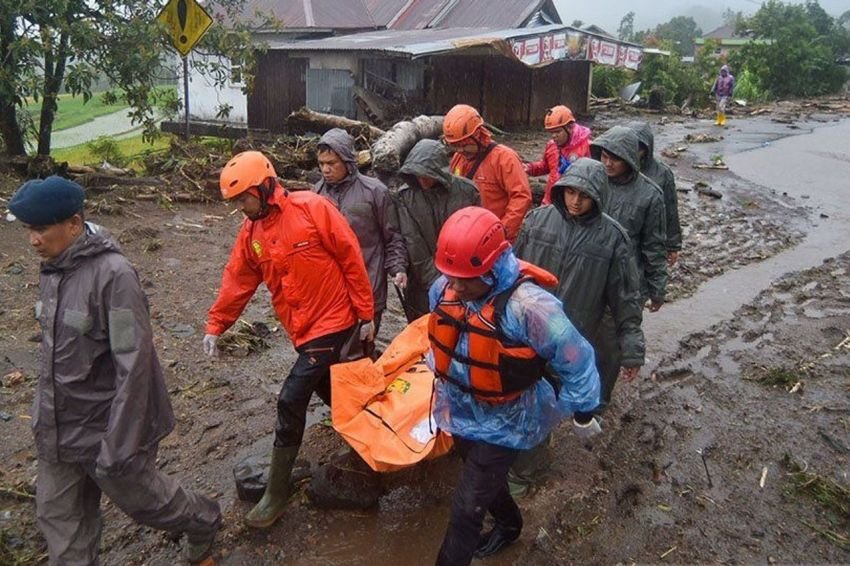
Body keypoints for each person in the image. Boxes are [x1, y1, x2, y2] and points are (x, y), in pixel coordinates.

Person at [9, 176, 221, 564]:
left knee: (146, 503)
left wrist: (121, 440)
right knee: (58, 517)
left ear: (74, 224)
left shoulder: (114, 276)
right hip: (58, 428)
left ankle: (202, 519)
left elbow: (134, 361)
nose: (32, 240)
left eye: (40, 229)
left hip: (106, 427)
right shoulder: (53, 269)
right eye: (28, 230)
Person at [203, 151, 374, 529]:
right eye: (235, 203)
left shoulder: (312, 208)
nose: (240, 208)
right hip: (302, 328)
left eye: (243, 199)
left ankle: (276, 493)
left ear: (264, 187)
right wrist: (216, 325)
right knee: (330, 388)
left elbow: (350, 257)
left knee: (292, 396)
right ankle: (371, 440)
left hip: (335, 319)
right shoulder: (251, 235)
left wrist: (366, 314)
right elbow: (237, 282)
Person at [428, 206, 601, 565]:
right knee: (481, 483)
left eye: (464, 278)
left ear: (491, 268)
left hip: (507, 417)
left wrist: (583, 412)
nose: (454, 287)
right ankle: (509, 524)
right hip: (460, 407)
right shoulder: (445, 288)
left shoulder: (530, 308)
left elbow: (576, 356)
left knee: (465, 509)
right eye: (449, 276)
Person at [511, 158, 645, 493]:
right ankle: (521, 466)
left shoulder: (613, 238)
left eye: (583, 195)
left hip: (572, 336)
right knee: (524, 397)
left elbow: (625, 298)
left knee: (550, 399)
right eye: (569, 191)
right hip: (527, 332)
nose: (575, 201)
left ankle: (529, 471)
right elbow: (512, 273)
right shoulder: (539, 221)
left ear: (598, 194)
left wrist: (631, 348)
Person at [590, 126, 667, 407]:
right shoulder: (593, 181)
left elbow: (654, 246)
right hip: (590, 273)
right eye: (603, 156)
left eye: (614, 158)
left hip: (624, 279)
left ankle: (599, 401)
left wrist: (657, 287)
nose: (607, 163)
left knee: (609, 345)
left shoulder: (650, 195)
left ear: (630, 159)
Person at [314, 128, 408, 345]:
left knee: (361, 349)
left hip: (369, 285)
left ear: (347, 161)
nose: (325, 170)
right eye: (321, 164)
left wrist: (398, 267)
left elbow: (392, 235)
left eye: (332, 163)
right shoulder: (316, 194)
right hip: (330, 291)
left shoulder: (375, 192)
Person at [393, 138, 480, 321]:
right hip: (422, 283)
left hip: (463, 277)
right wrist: (437, 282)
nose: (422, 180)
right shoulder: (406, 196)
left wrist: (457, 281)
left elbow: (476, 235)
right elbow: (413, 242)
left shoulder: (467, 191)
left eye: (427, 175)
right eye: (417, 175)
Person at [443, 104, 532, 241]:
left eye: (464, 145)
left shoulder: (504, 158)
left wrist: (501, 232)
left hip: (495, 238)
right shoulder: (458, 158)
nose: (460, 151)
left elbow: (521, 197)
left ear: (477, 135)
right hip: (465, 237)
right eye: (455, 146)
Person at [626, 120, 683, 266]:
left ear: (646, 148)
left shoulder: (662, 174)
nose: (634, 153)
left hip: (652, 235)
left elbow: (670, 209)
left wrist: (673, 245)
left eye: (638, 149)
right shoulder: (619, 168)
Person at [524, 105, 592, 205]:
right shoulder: (552, 145)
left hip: (571, 206)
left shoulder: (588, 147)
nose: (554, 136)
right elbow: (546, 166)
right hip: (549, 202)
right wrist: (529, 168)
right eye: (551, 132)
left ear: (569, 127)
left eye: (557, 132)